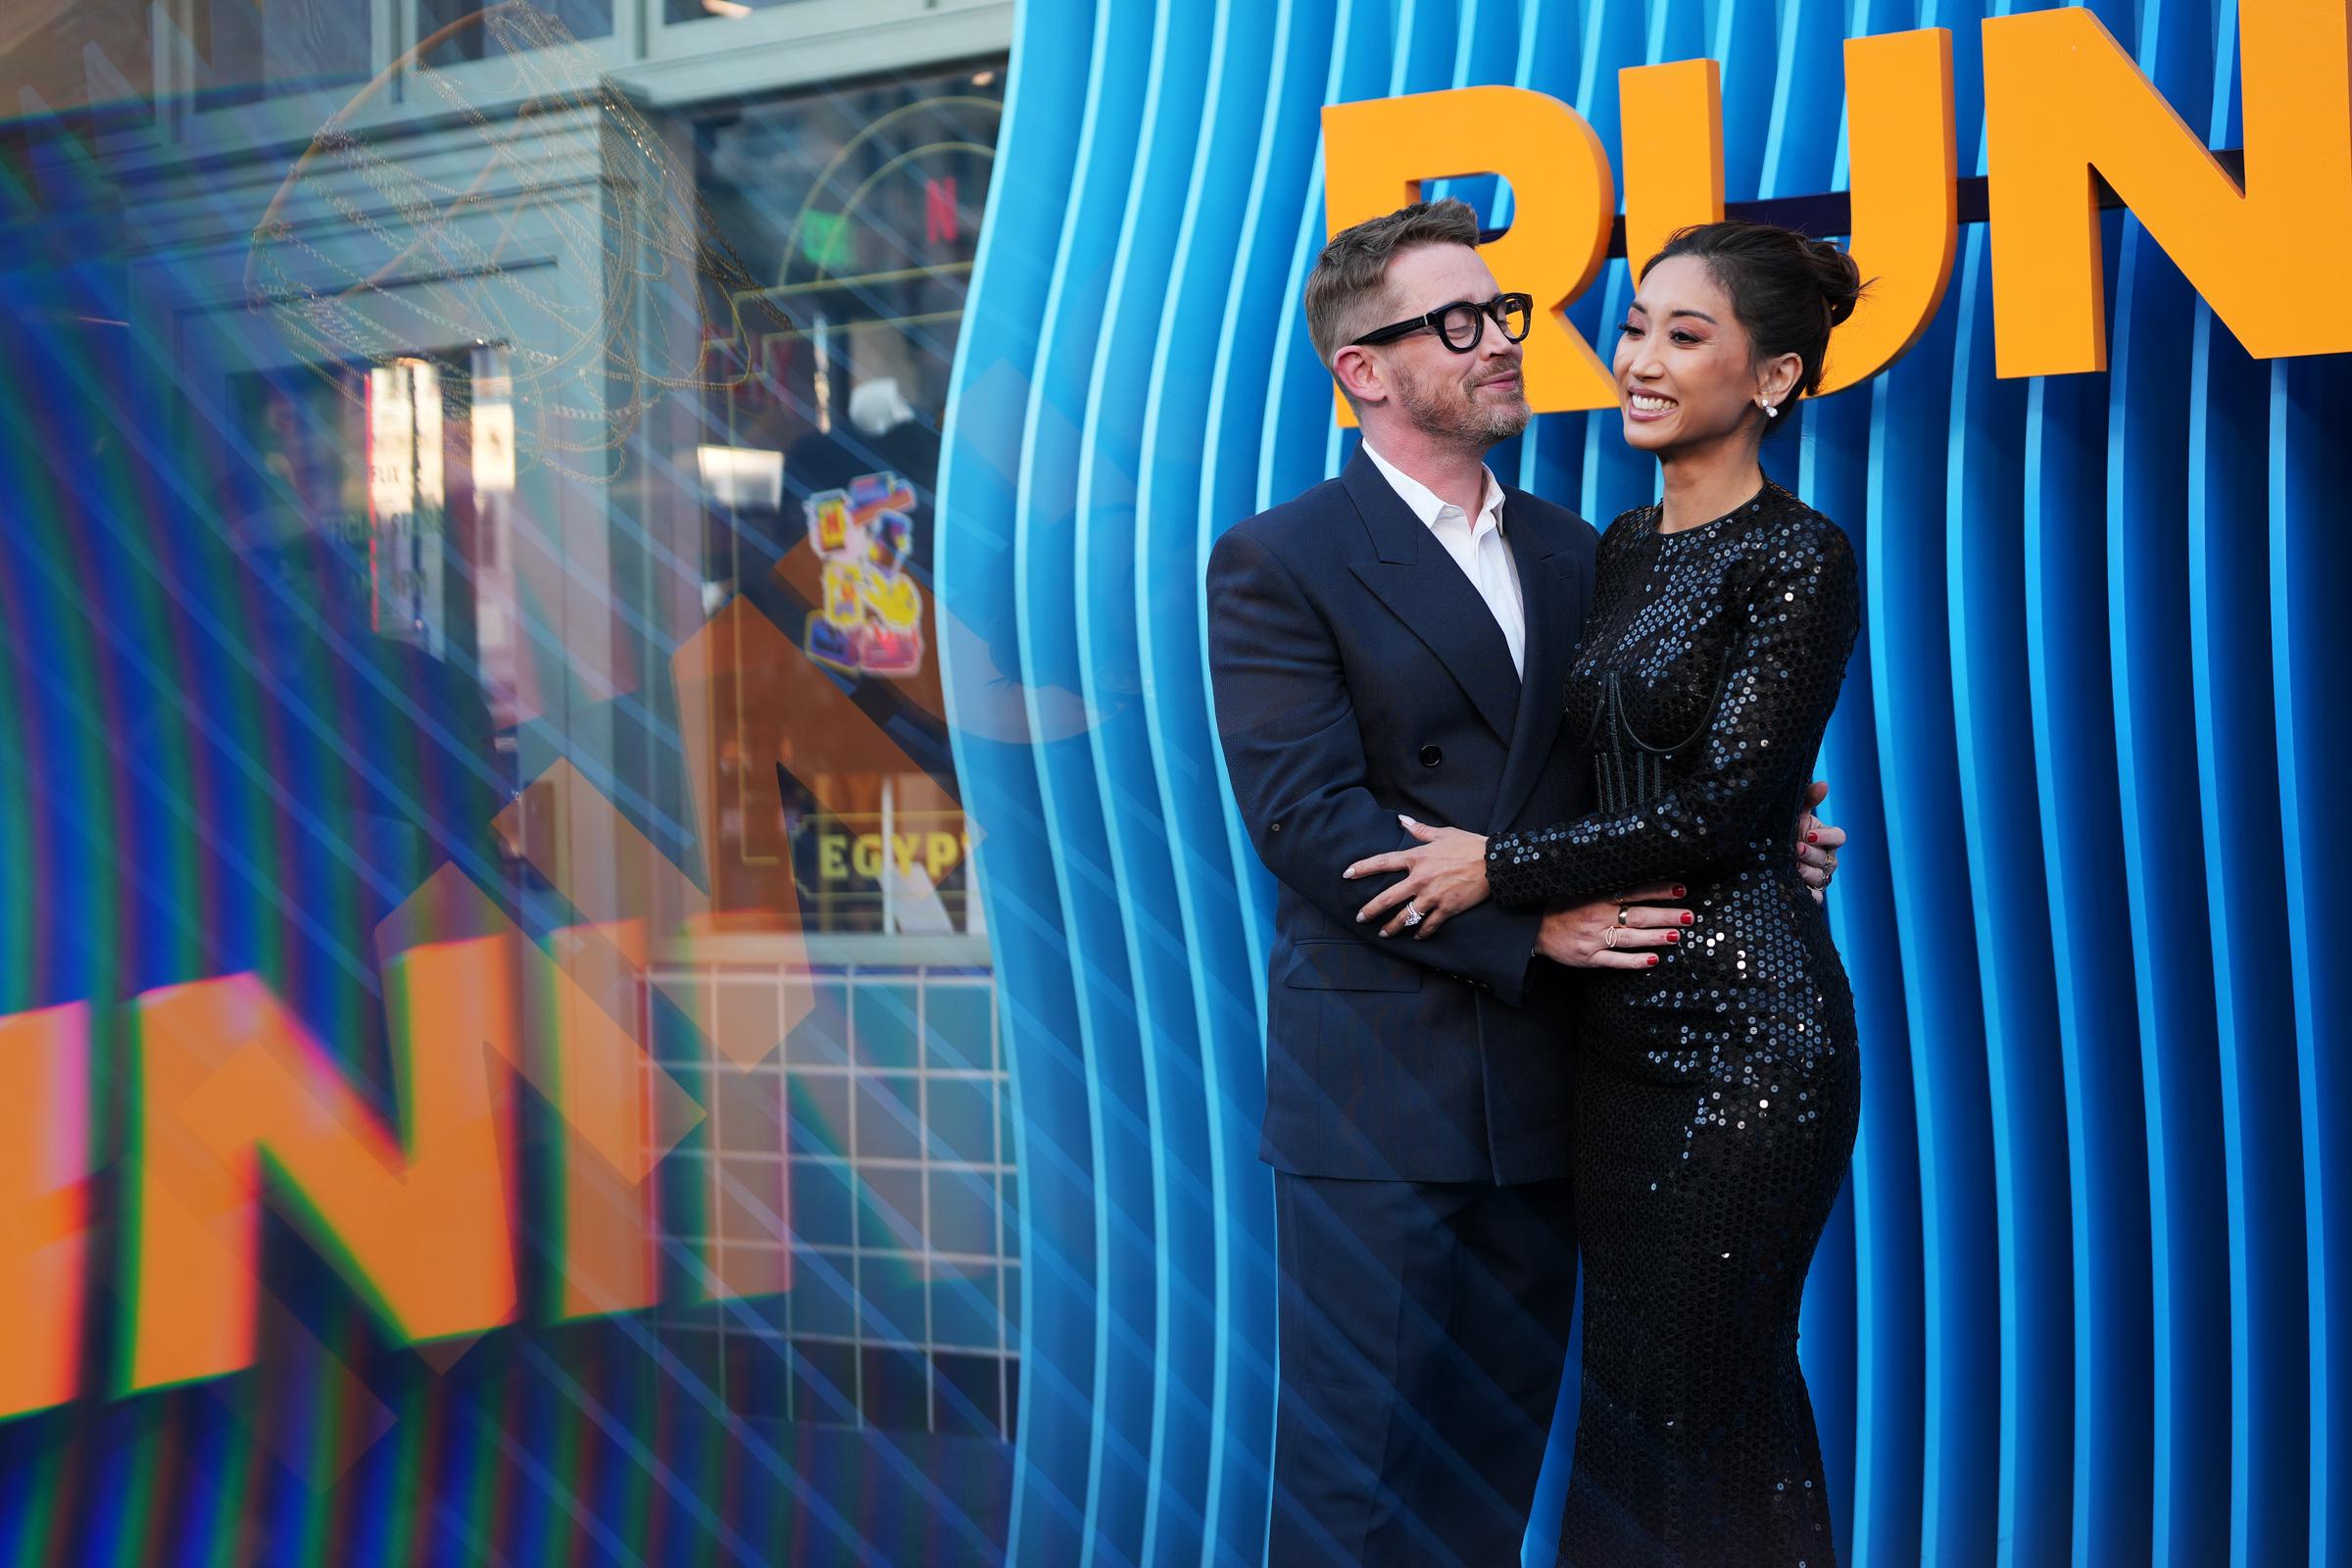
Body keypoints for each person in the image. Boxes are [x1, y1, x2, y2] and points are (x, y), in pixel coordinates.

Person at [1205, 201, 1843, 1567]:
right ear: (1362, 371)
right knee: (1351, 1492)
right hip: (1383, 1099)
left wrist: (1756, 828)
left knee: (1494, 1485)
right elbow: (1310, 823)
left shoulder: (1586, 548)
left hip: (1568, 1099)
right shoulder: (1281, 558)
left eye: (1501, 312)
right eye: (1455, 322)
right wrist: (1532, 924)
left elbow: (1637, 768)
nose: (1500, 340)